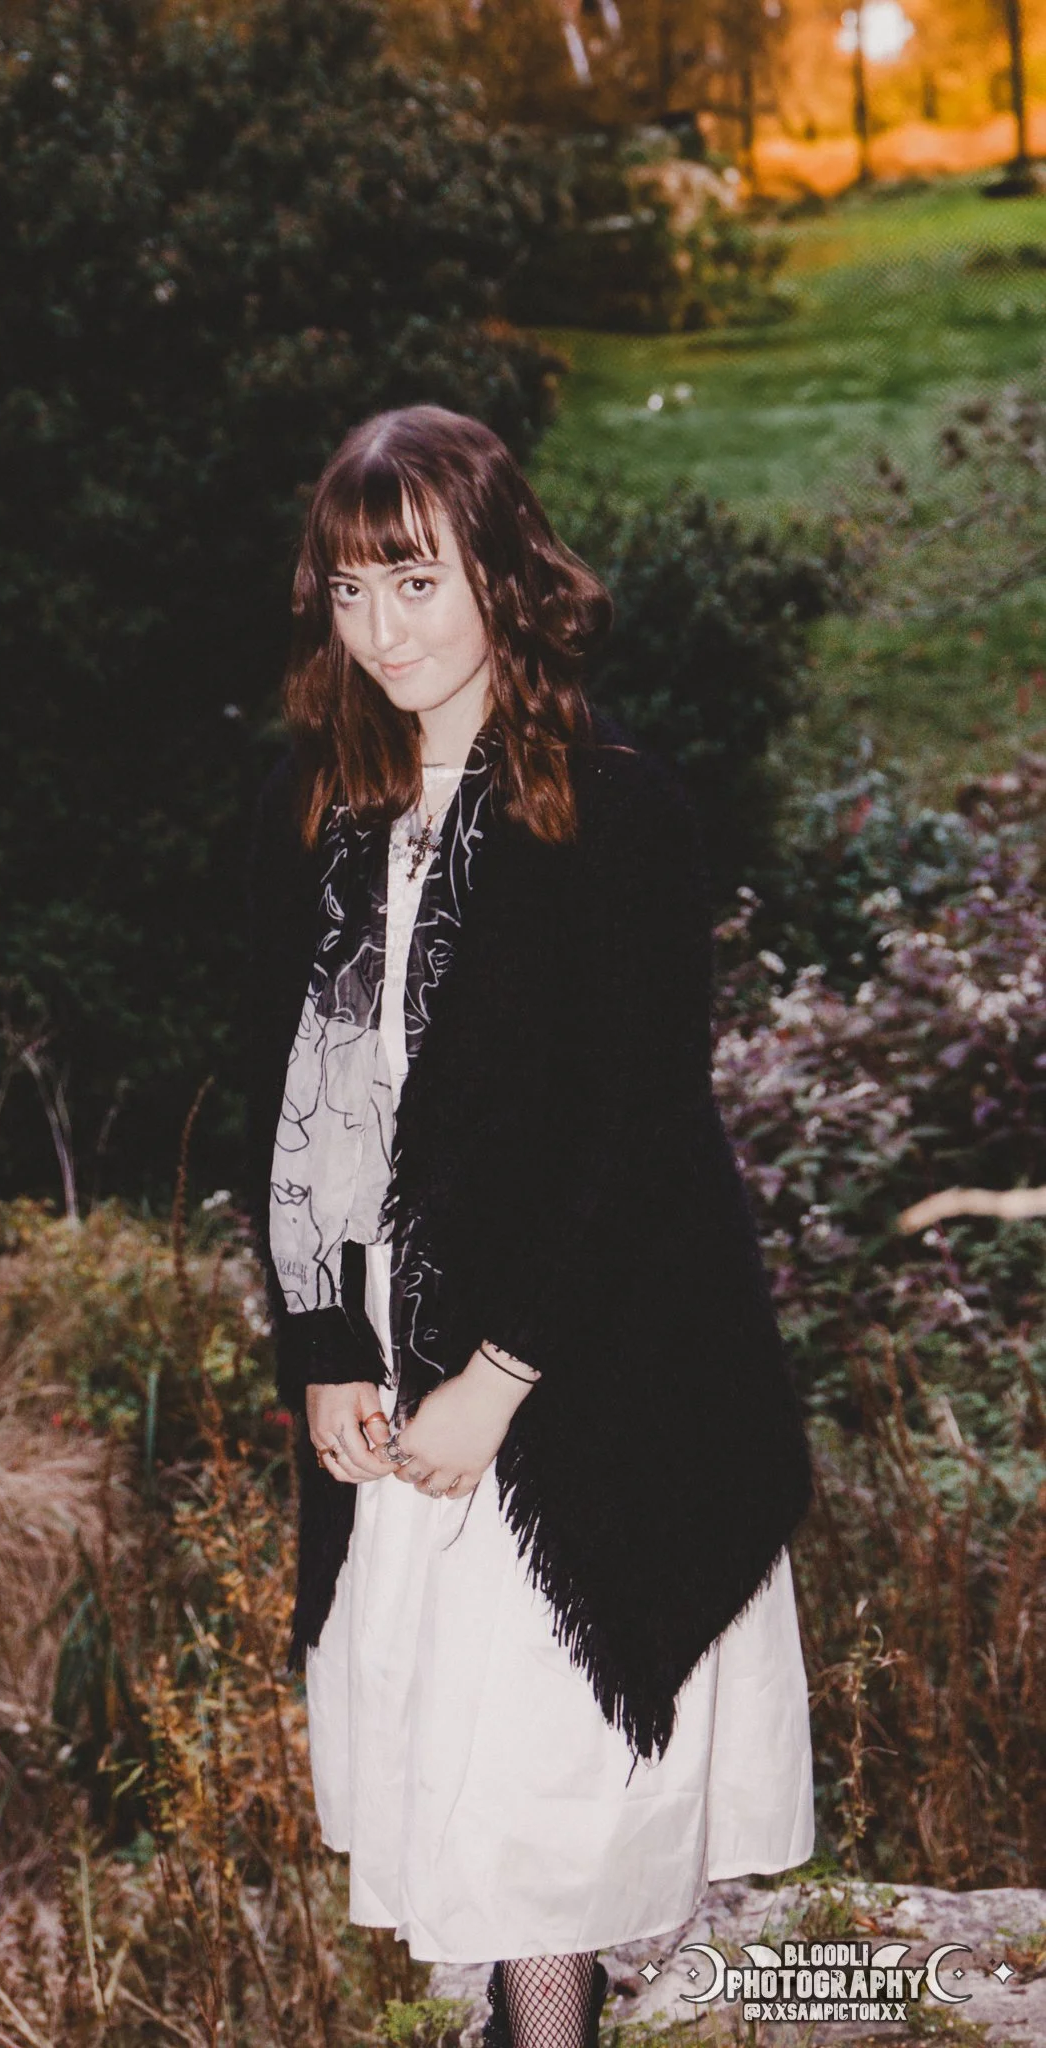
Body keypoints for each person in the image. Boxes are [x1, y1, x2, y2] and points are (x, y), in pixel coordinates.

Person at [241, 406, 814, 2048]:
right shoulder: (315, 811)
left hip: (592, 1370)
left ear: (499, 570)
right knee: (469, 1781)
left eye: (414, 579)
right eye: (348, 592)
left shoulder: (612, 806)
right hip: (390, 1352)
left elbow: (639, 1127)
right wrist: (325, 1347)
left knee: (542, 1801)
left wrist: (504, 1373)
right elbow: (292, 1101)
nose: (382, 629)